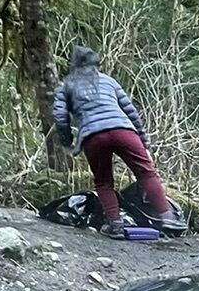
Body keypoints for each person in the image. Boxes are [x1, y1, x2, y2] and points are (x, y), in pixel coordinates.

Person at [51, 46, 183, 237]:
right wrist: (144, 143)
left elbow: (60, 116)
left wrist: (67, 141)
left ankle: (115, 225)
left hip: (93, 136)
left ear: (73, 65)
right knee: (146, 173)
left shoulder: (66, 86)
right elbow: (131, 112)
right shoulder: (108, 81)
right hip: (124, 130)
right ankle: (167, 217)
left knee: (103, 181)